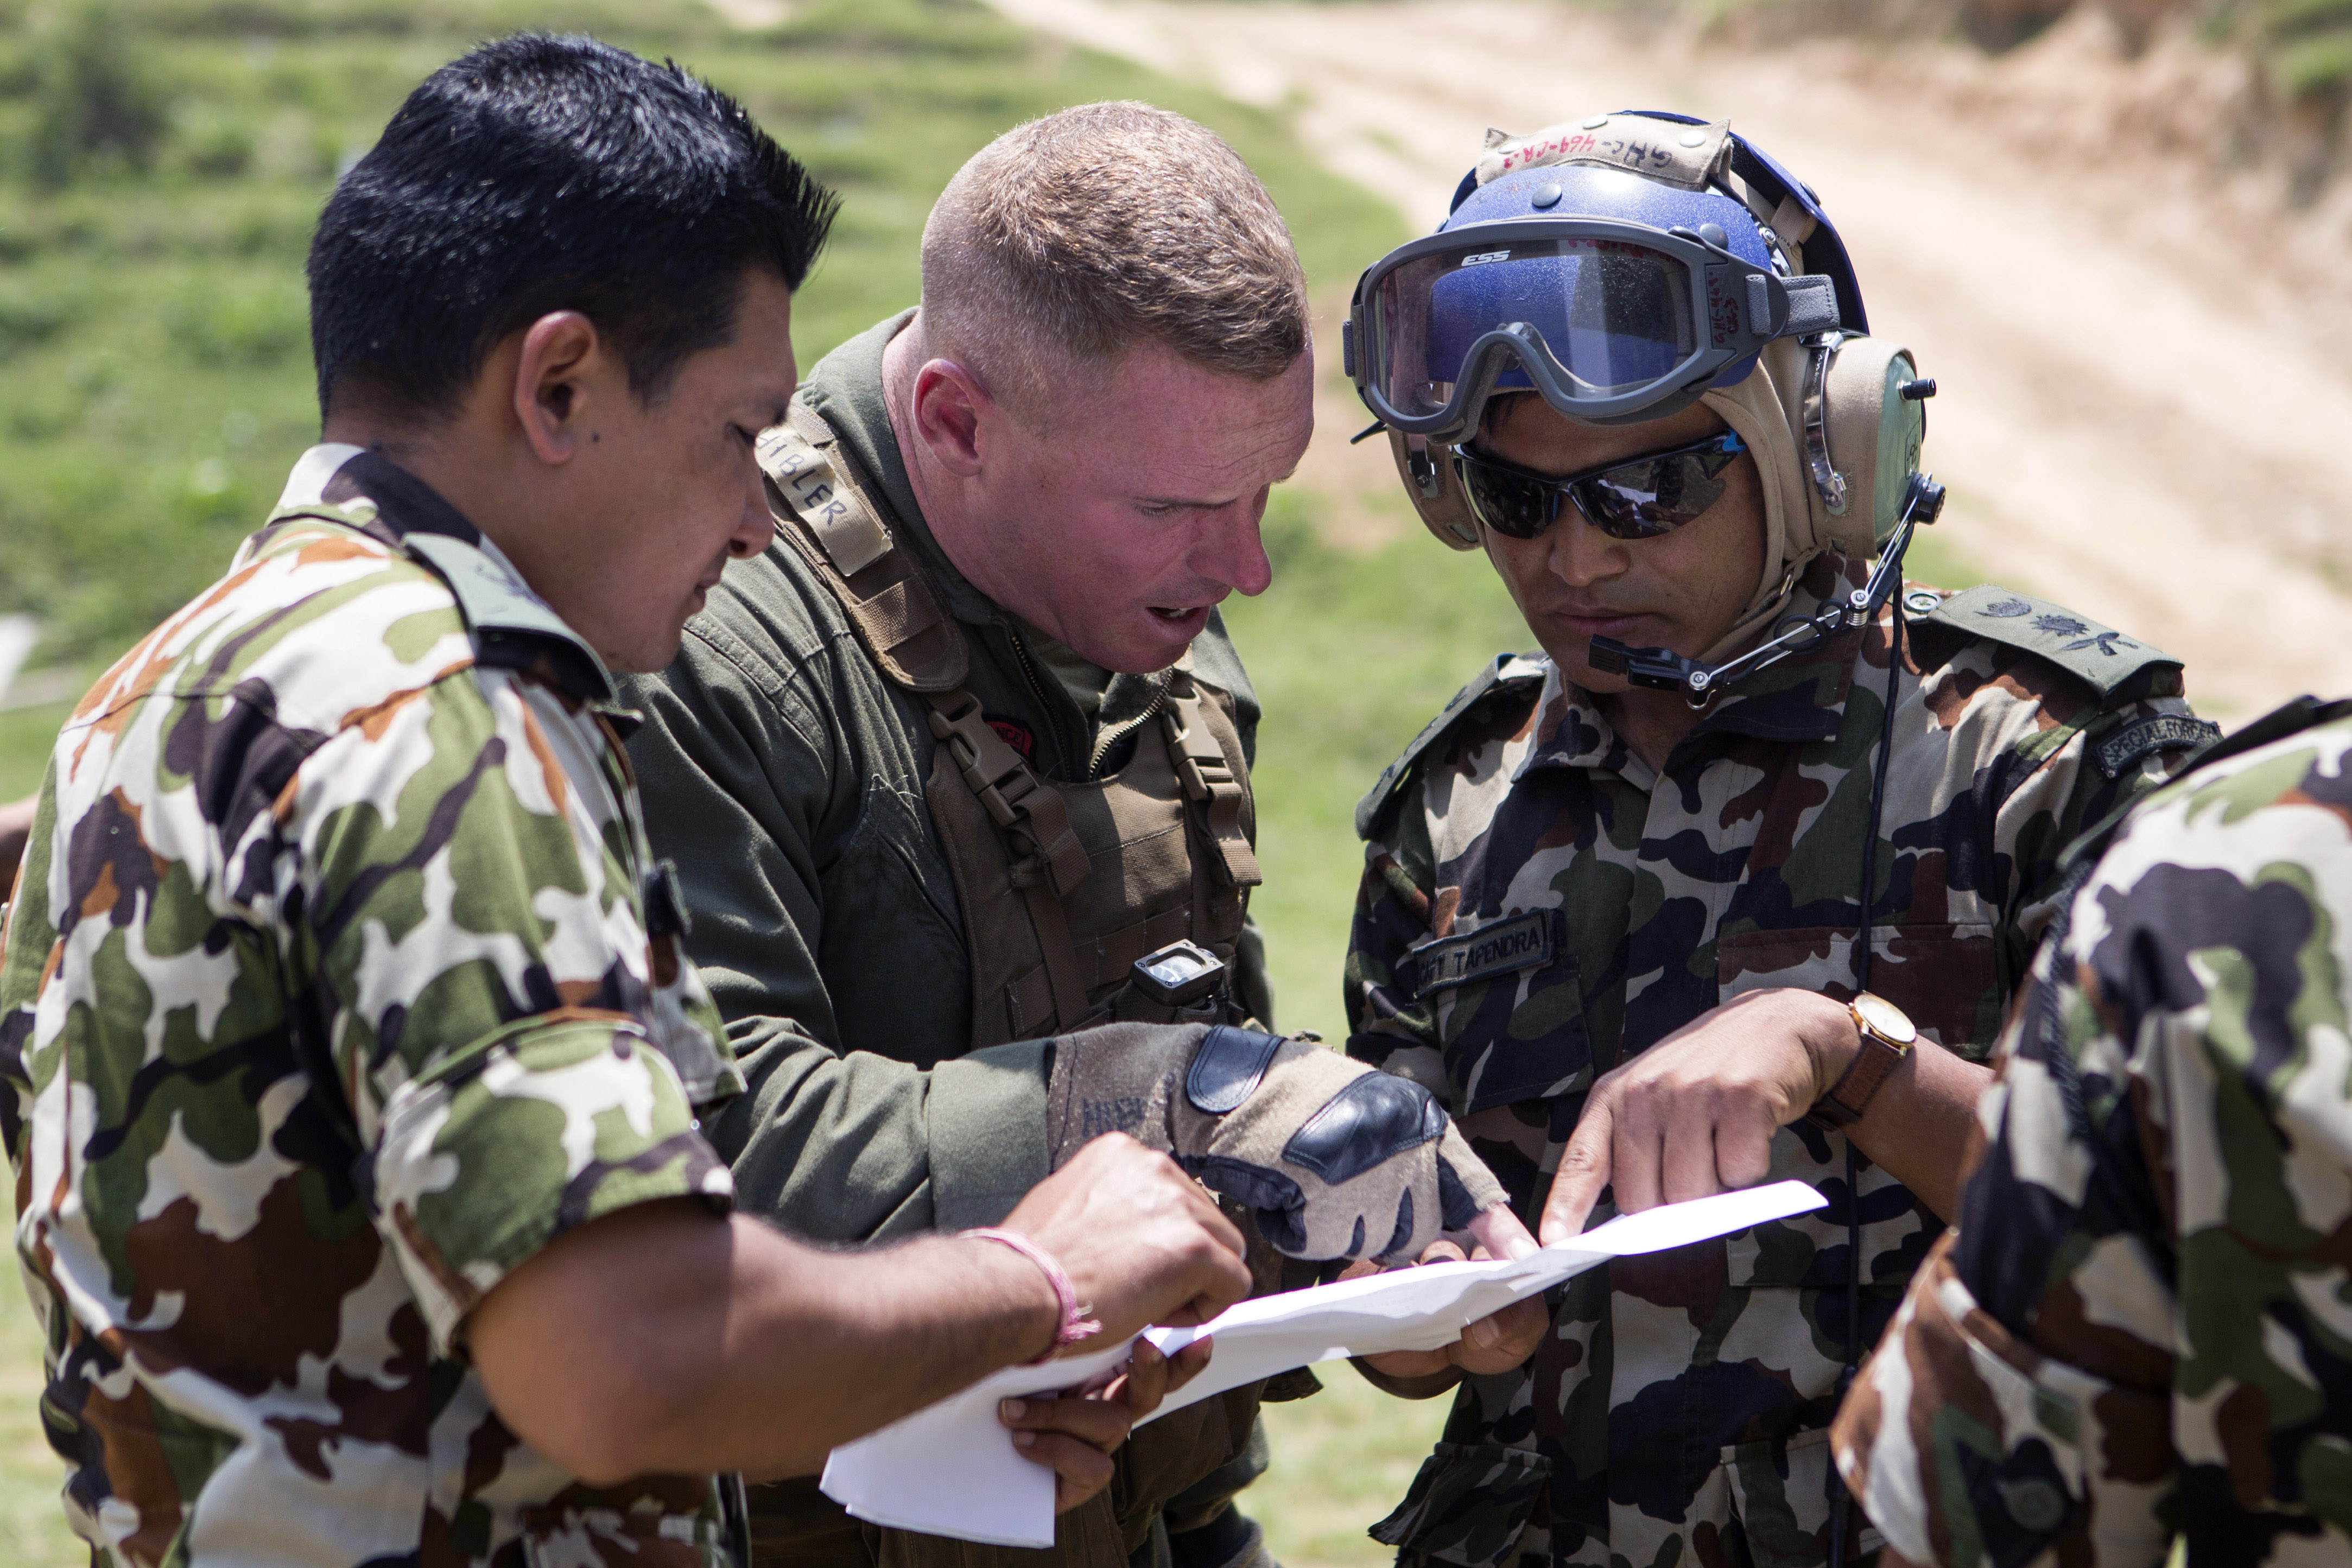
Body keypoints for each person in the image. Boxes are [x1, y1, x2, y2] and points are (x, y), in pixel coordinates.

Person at [0, 39, 1282, 1567]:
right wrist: (1034, 1281)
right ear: (557, 386)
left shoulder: (157, 694)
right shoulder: (443, 718)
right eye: (740, 435)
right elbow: (626, 1360)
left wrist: (941, 1378)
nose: (758, 516)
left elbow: (389, 1343)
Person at [619, 100, 1531, 1568]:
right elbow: (693, 1164)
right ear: (955, 424)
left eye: (1266, 495)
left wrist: (1372, 1267)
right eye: (1173, 505)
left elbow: (1202, 1052)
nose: (1238, 567)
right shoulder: (707, 642)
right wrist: (1174, 1095)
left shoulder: (1141, 596)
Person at [1335, 111, 2221, 1568]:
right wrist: (1411, 1304)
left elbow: (2198, 1230)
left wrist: (1853, 1056)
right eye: (1513, 496)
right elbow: (1396, 1334)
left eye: (1647, 488)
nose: (1574, 559)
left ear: (1820, 451)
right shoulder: (1453, 808)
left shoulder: (2043, 763)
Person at [1830, 694, 2352, 1566]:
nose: (1577, 566)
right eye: (1519, 542)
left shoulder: (2214, 867)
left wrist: (1855, 1059)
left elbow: (1989, 1529)